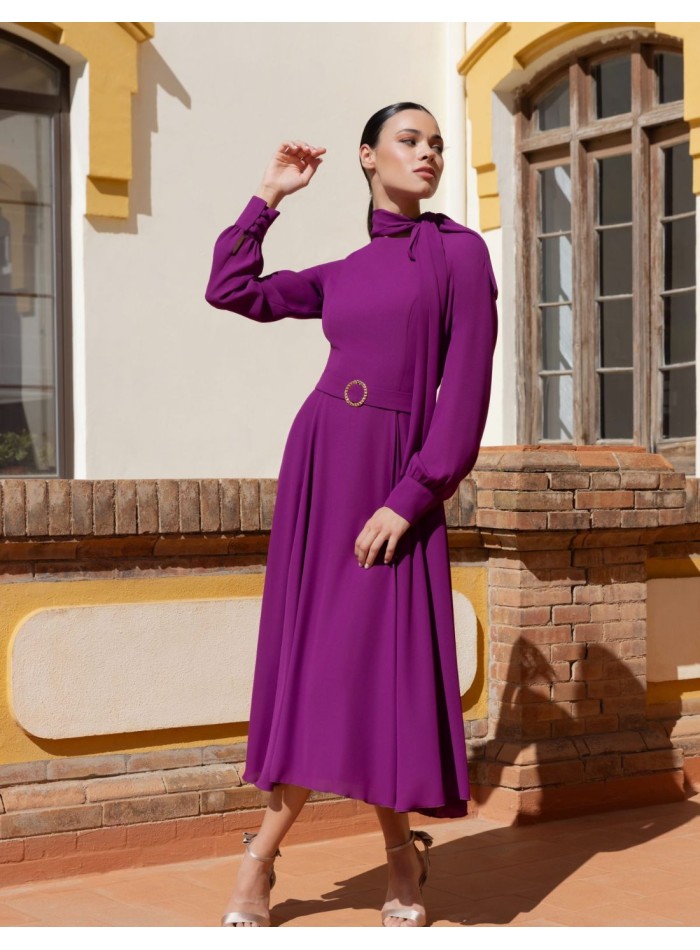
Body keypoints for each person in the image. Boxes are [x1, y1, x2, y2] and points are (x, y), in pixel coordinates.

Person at [204, 101, 499, 927]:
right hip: (322, 469)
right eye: (410, 141)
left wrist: (413, 497)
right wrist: (270, 196)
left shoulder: (460, 255)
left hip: (393, 480)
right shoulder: (341, 270)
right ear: (368, 157)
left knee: (378, 669)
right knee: (322, 665)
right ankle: (325, 862)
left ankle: (298, 859)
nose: (429, 154)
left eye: (437, 143)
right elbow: (229, 289)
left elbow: (464, 391)